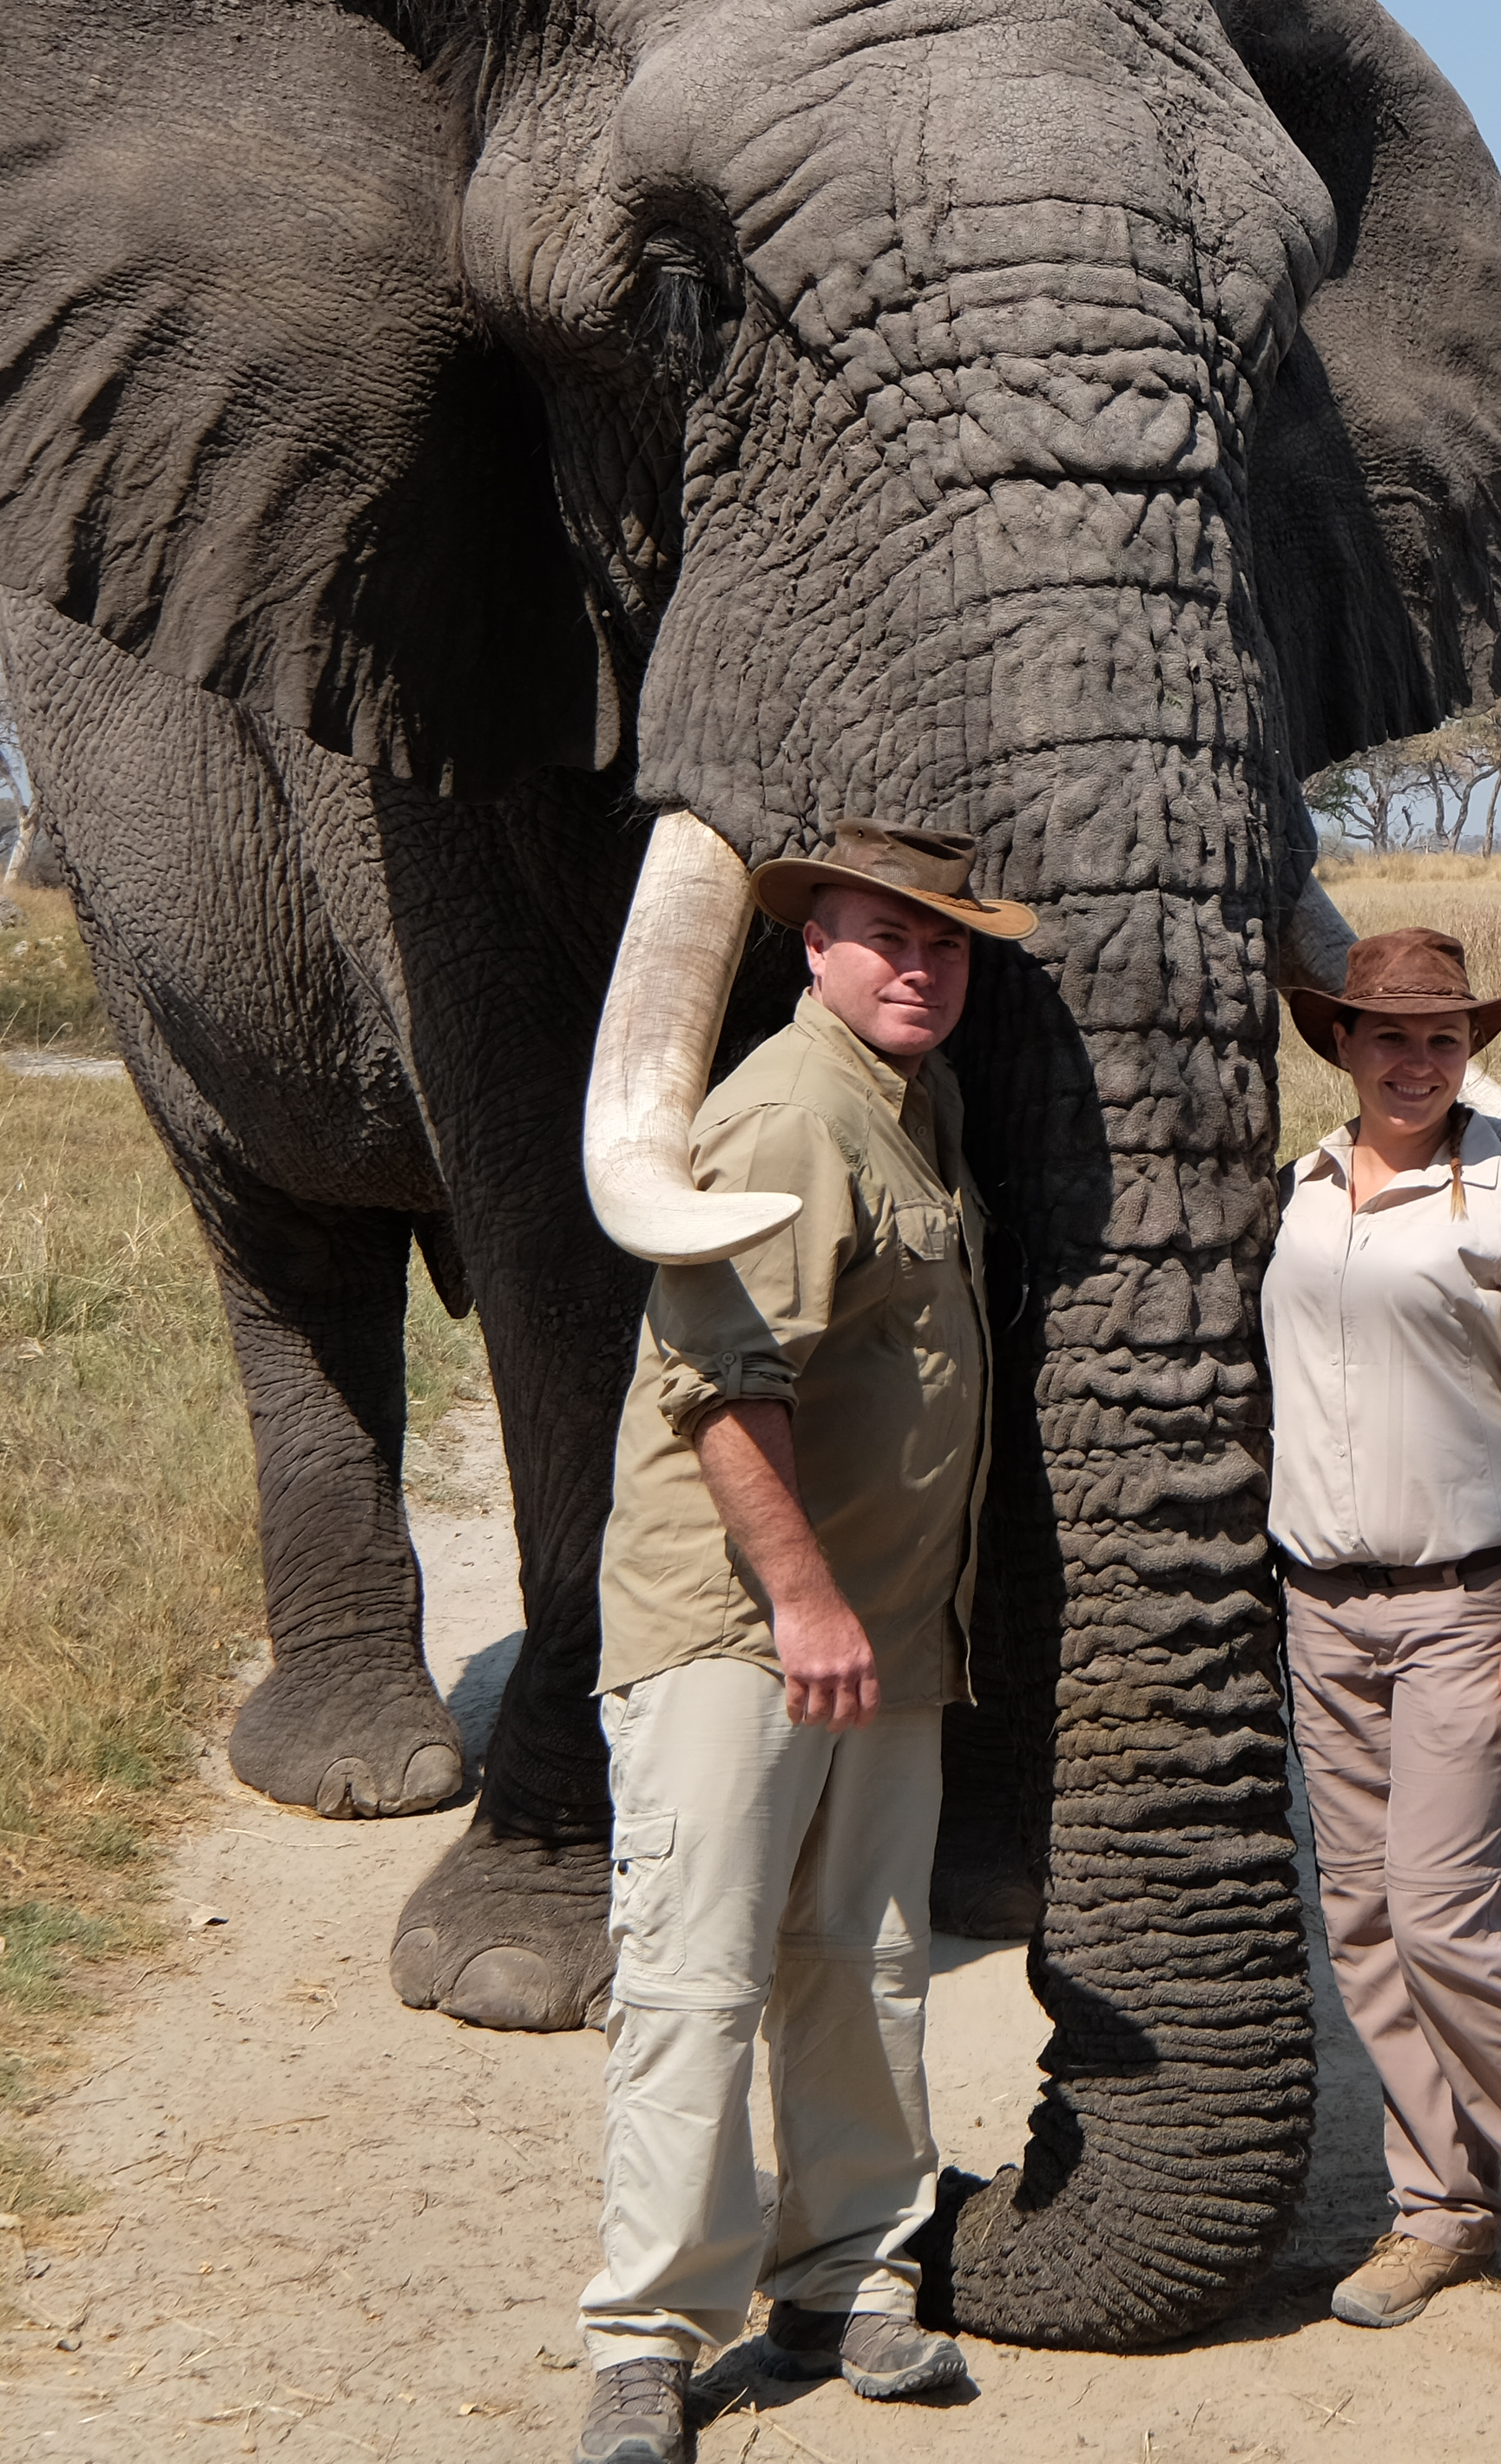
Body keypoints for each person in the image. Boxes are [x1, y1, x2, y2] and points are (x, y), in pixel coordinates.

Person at [574, 824, 1035, 2464]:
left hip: (880, 1635)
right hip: (742, 1632)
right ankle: (647, 2341)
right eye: (885, 938)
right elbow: (720, 1386)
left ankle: (847, 2277)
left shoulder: (915, 1103)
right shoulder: (789, 1108)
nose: (921, 967)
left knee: (865, 1963)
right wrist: (804, 1599)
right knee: (696, 1979)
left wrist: (864, 1618)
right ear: (812, 946)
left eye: (948, 944)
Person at [1267, 923, 1501, 2347]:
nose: (1417, 1061)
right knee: (1366, 1927)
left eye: (1443, 1038)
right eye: (1391, 1036)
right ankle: (1436, 2209)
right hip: (1322, 1605)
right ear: (1342, 1043)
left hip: (1468, 1603)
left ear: (1471, 1050)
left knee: (1444, 1913)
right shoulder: (1300, 1193)